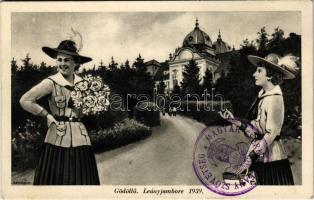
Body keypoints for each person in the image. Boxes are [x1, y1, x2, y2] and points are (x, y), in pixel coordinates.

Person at [19, 40, 100, 185]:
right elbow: (25, 100)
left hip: (81, 138)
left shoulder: (84, 84)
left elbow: (83, 112)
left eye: (67, 60)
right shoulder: (50, 82)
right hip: (57, 138)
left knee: (83, 181)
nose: (62, 63)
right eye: (59, 60)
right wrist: (47, 115)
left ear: (76, 63)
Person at [219, 53, 299, 185]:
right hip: (259, 154)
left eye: (259, 70)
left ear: (270, 75)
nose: (254, 74)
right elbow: (254, 130)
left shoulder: (275, 98)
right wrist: (233, 120)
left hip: (272, 159)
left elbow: (271, 134)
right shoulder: (263, 96)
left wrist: (251, 158)